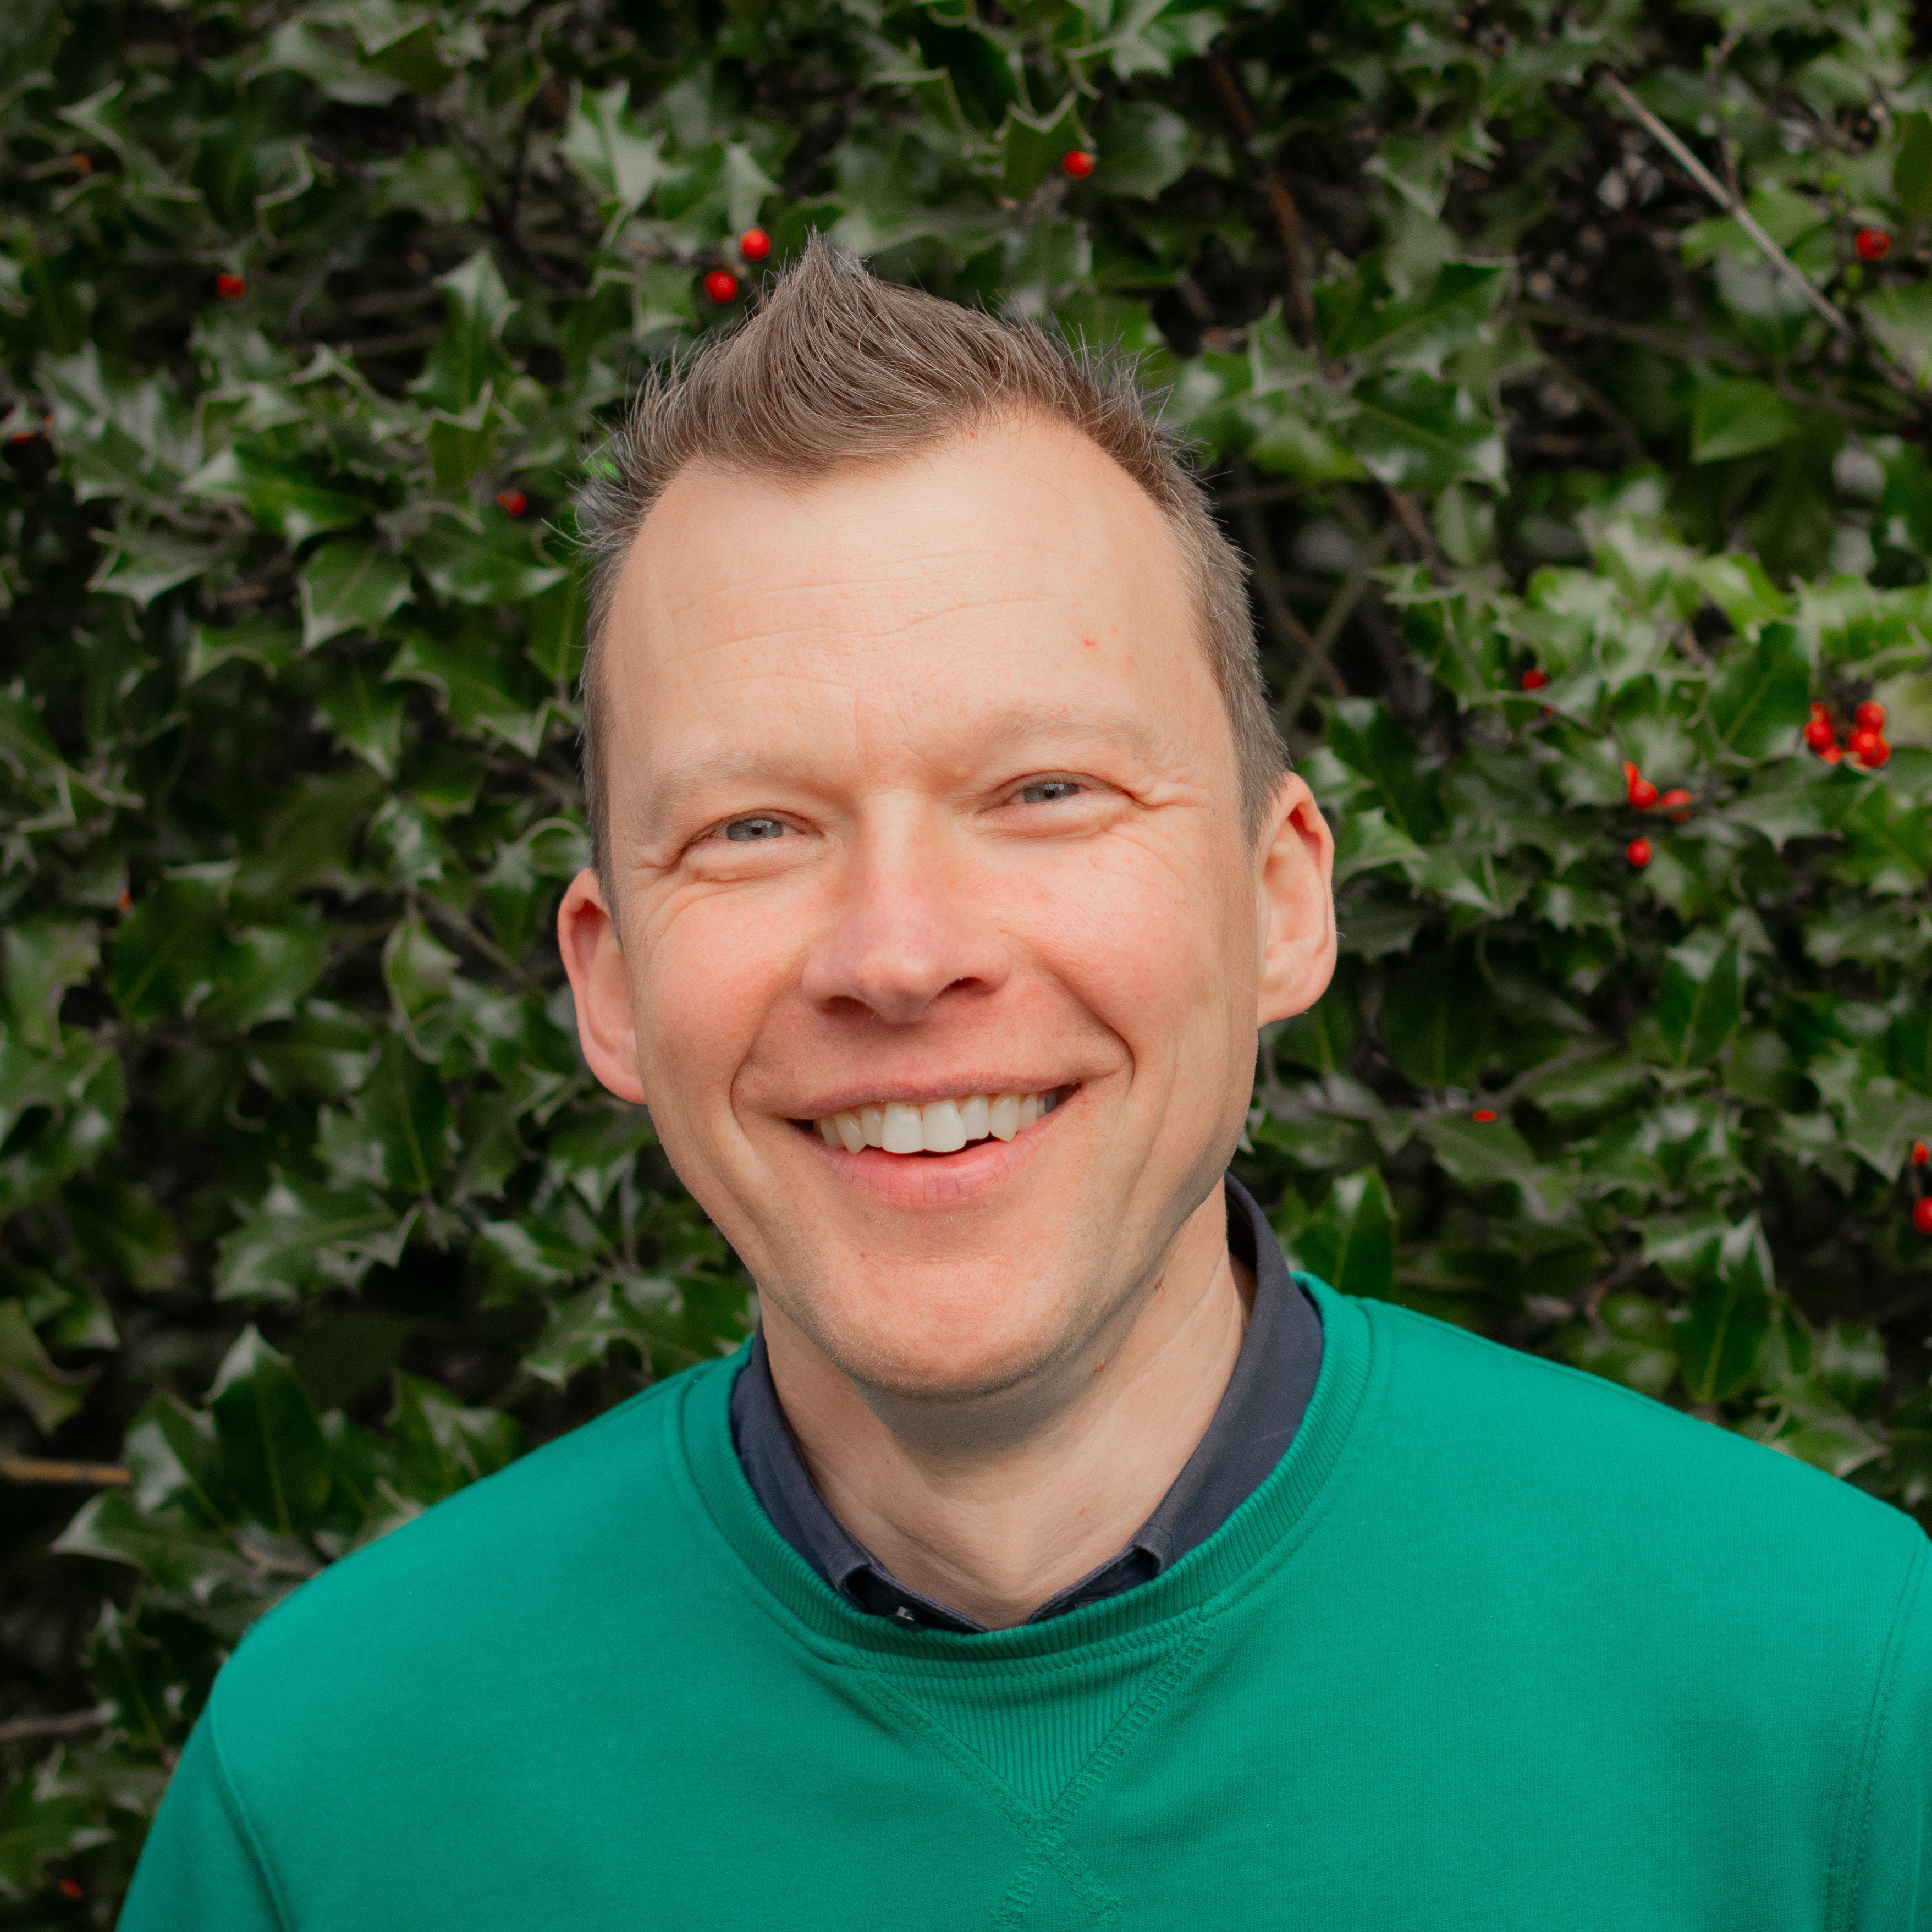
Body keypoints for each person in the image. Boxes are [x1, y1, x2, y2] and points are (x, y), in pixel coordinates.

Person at [121, 239, 1929, 1930]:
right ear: (607, 978)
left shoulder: (1835, 1699)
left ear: (1279, 895)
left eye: (1044, 792)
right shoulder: (331, 1792)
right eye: (753, 827)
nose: (900, 953)